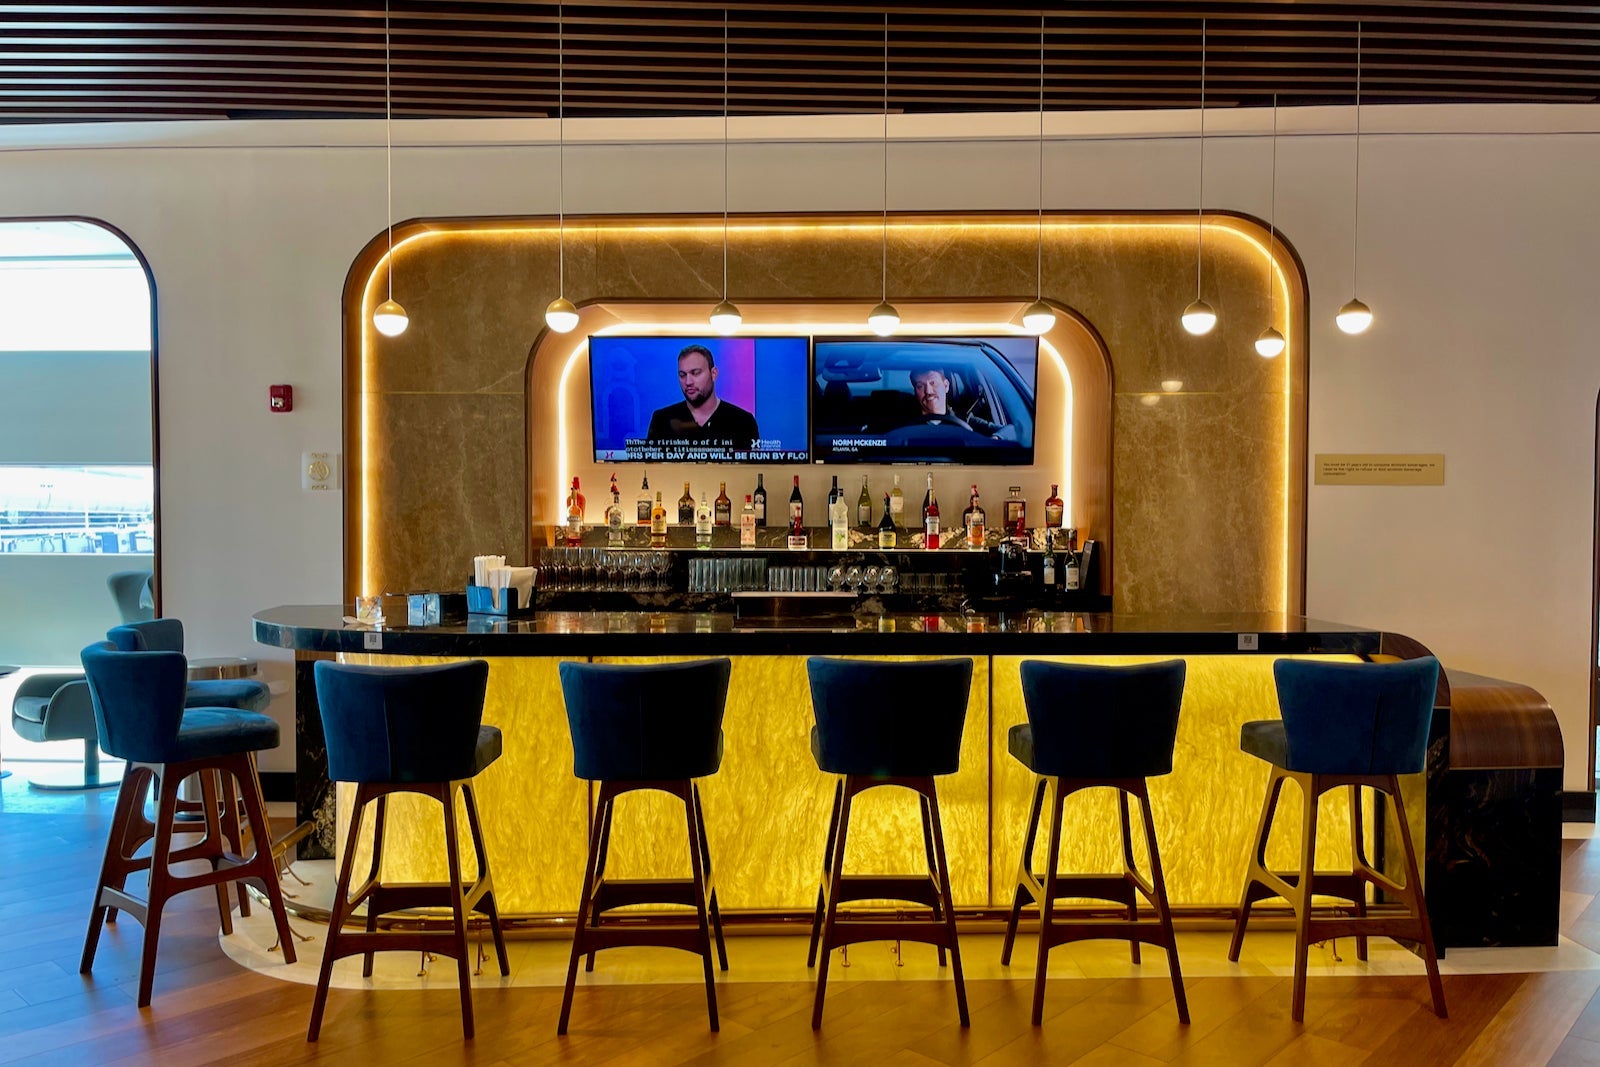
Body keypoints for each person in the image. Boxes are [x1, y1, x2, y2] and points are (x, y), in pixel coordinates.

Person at [645, 344, 760, 445]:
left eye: (695, 373)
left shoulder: (743, 422)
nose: (688, 382)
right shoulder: (662, 420)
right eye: (682, 375)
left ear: (713, 374)